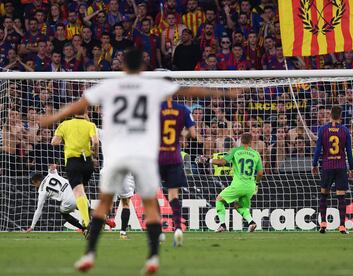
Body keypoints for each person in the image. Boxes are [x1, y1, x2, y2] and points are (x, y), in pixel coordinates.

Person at [39, 47, 237, 274]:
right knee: (151, 206)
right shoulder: (151, 85)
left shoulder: (111, 84)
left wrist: (54, 117)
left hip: (117, 153)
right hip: (142, 154)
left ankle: (89, 254)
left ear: (122, 65)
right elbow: (189, 90)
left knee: (104, 203)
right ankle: (152, 258)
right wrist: (223, 94)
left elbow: (80, 104)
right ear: (143, 67)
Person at [199, 133, 264, 232]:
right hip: (250, 186)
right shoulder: (256, 154)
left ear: (240, 141)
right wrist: (257, 184)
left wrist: (208, 160)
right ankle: (251, 223)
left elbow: (223, 162)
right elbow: (260, 173)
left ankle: (222, 225)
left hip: (238, 185)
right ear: (251, 142)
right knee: (239, 206)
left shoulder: (235, 151)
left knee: (219, 200)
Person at [26, 164, 113, 234]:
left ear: (36, 181)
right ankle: (106, 219)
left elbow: (39, 210)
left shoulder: (42, 191)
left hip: (68, 200)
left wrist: (32, 226)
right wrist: (53, 167)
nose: (34, 185)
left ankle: (83, 228)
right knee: (87, 209)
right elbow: (53, 169)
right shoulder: (51, 174)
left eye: (33, 183)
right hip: (77, 191)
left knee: (63, 212)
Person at [51, 110, 99, 229]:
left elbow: (54, 142)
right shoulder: (91, 125)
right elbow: (96, 142)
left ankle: (87, 223)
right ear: (85, 113)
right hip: (87, 162)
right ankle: (86, 217)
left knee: (78, 192)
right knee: (83, 190)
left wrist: (67, 140)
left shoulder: (64, 124)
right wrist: (95, 154)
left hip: (73, 162)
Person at [159, 97, 196, 246]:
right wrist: (181, 133)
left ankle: (158, 232)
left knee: (152, 193)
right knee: (173, 194)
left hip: (157, 156)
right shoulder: (184, 109)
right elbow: (193, 134)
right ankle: (178, 229)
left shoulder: (155, 108)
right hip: (174, 157)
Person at [312, 105, 353, 235]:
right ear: (341, 115)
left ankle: (323, 224)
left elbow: (318, 149)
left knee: (324, 195)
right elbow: (349, 151)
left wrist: (314, 164)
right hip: (340, 167)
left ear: (330, 114)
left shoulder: (323, 129)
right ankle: (342, 226)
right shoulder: (345, 130)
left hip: (327, 166)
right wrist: (351, 168)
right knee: (341, 197)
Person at [97, 128, 135, 240]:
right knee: (126, 203)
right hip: (125, 172)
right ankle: (123, 233)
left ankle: (96, 230)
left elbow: (90, 128)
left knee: (106, 203)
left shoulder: (105, 133)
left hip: (109, 171)